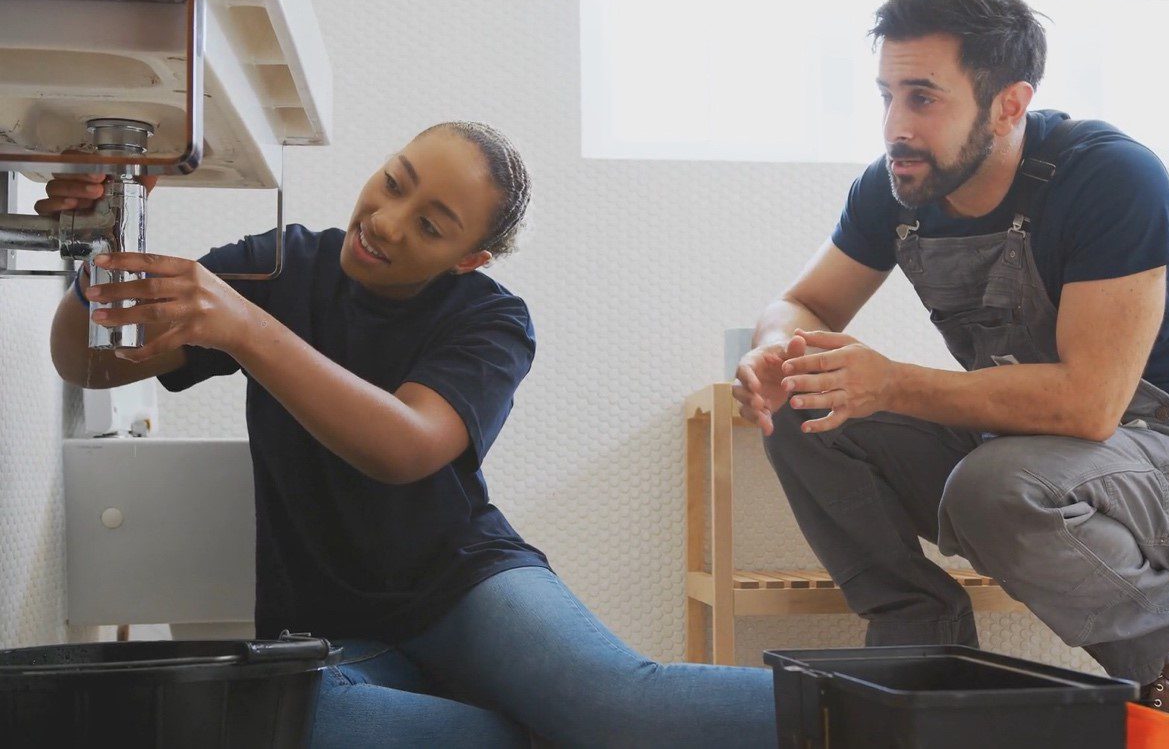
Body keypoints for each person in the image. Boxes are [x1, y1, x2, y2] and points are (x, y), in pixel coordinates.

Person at [44, 121, 774, 747]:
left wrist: (244, 328)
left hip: (468, 588)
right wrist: (108, 241)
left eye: (430, 224)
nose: (388, 221)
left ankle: (874, 706)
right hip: (330, 623)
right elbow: (89, 360)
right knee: (286, 718)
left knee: (624, 706)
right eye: (395, 181)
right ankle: (537, 732)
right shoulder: (278, 265)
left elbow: (405, 446)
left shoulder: (490, 318)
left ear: (468, 258)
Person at [734, 0, 1169, 722]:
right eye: (886, 94)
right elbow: (802, 302)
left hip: (1162, 454)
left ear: (1010, 104)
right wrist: (779, 351)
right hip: (1014, 445)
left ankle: (1163, 655)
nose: (894, 125)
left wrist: (891, 383)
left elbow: (1090, 402)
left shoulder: (1110, 175)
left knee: (991, 484)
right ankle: (917, 652)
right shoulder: (895, 185)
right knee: (806, 409)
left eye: (923, 97)